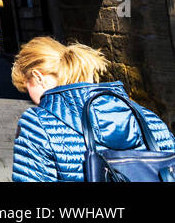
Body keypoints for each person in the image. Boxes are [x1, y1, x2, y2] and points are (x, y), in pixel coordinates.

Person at [11, 36, 175, 181]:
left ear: (38, 77)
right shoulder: (148, 118)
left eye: (26, 88)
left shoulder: (37, 126)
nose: (29, 96)